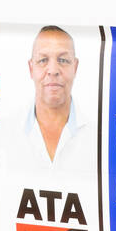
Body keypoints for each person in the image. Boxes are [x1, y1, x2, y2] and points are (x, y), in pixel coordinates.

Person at [23, 25, 92, 172]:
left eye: (63, 60)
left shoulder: (98, 136)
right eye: (43, 60)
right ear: (31, 68)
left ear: (75, 67)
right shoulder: (7, 130)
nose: (53, 70)